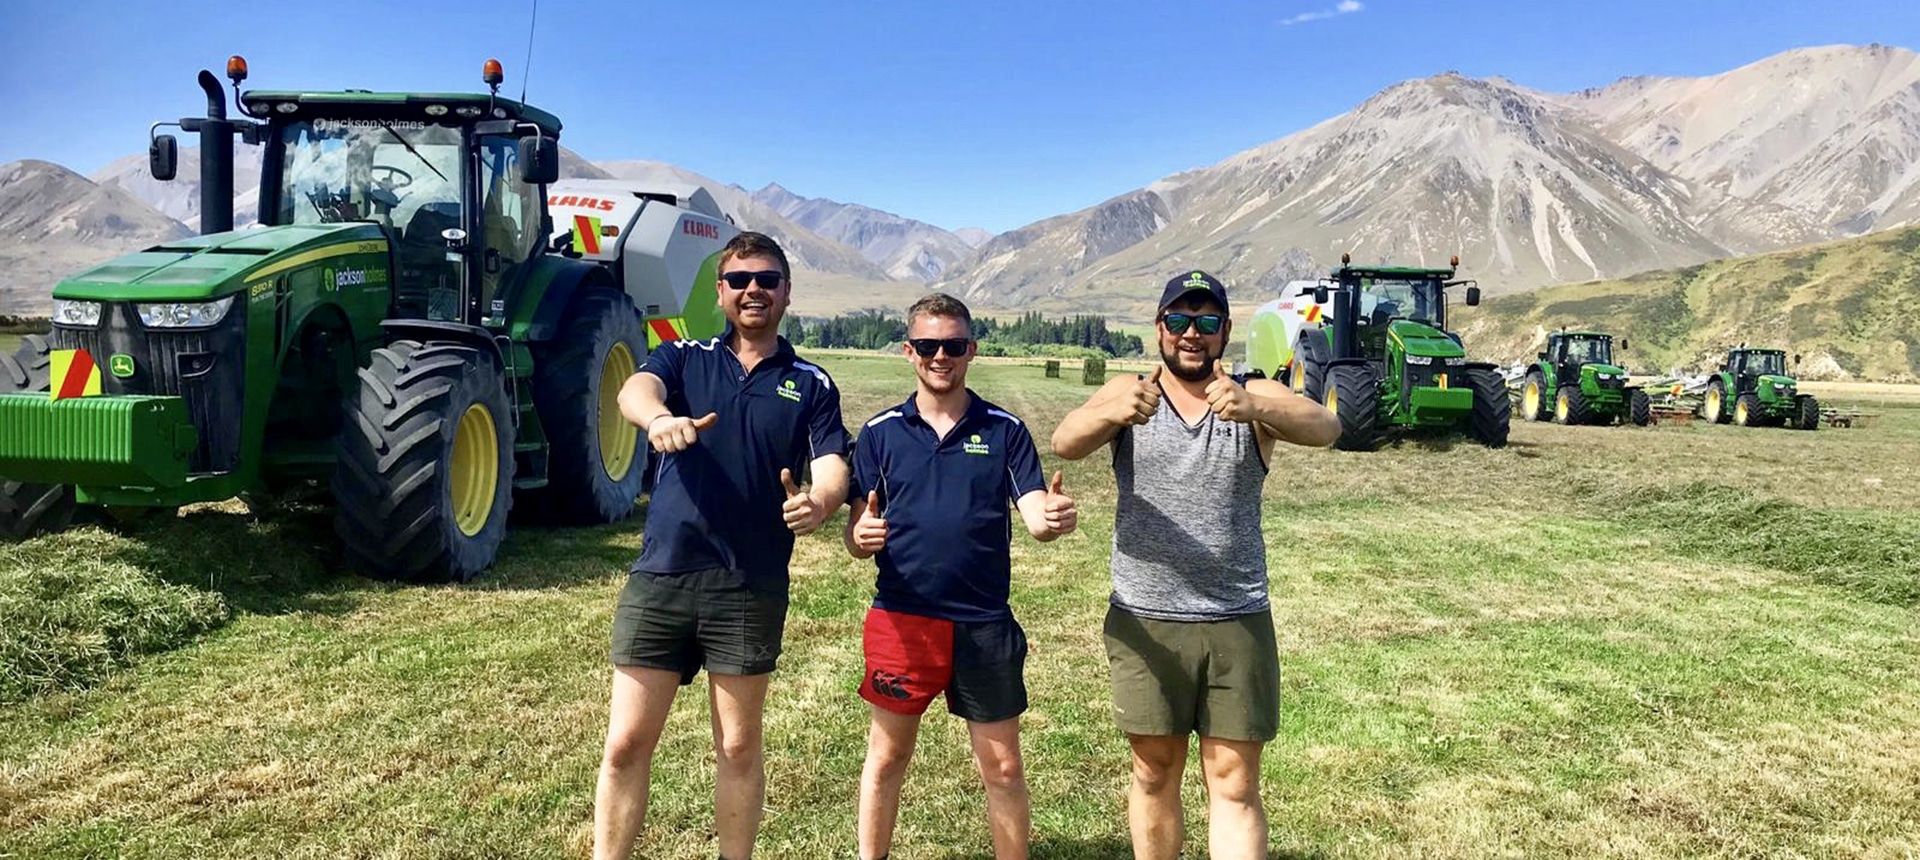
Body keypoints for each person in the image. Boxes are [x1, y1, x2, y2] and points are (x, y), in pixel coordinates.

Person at [1050, 270, 1341, 860]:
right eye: (1179, 321)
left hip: (1236, 618)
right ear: (1159, 328)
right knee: (1154, 771)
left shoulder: (1252, 395)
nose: (1191, 334)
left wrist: (1254, 403)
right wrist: (1113, 412)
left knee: (1234, 780)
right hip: (1144, 618)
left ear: (1225, 332)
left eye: (1206, 323)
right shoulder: (1129, 392)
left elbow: (1329, 426)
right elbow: (1064, 441)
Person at [594, 231, 851, 860]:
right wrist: (659, 420)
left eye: (766, 278)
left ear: (787, 291)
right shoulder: (684, 357)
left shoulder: (810, 383)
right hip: (664, 575)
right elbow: (635, 391)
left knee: (737, 746)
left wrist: (819, 501)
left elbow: (833, 463)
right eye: (739, 280)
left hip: (748, 582)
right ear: (721, 292)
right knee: (627, 743)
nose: (752, 290)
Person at [844, 292, 1079, 860]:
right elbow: (858, 532)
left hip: (983, 623)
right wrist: (860, 538)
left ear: (971, 350)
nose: (940, 356)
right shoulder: (879, 432)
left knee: (1002, 765)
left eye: (952, 345)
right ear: (909, 351)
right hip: (902, 618)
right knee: (887, 757)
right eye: (928, 345)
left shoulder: (1004, 429)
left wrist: (1051, 521)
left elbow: (1033, 516)